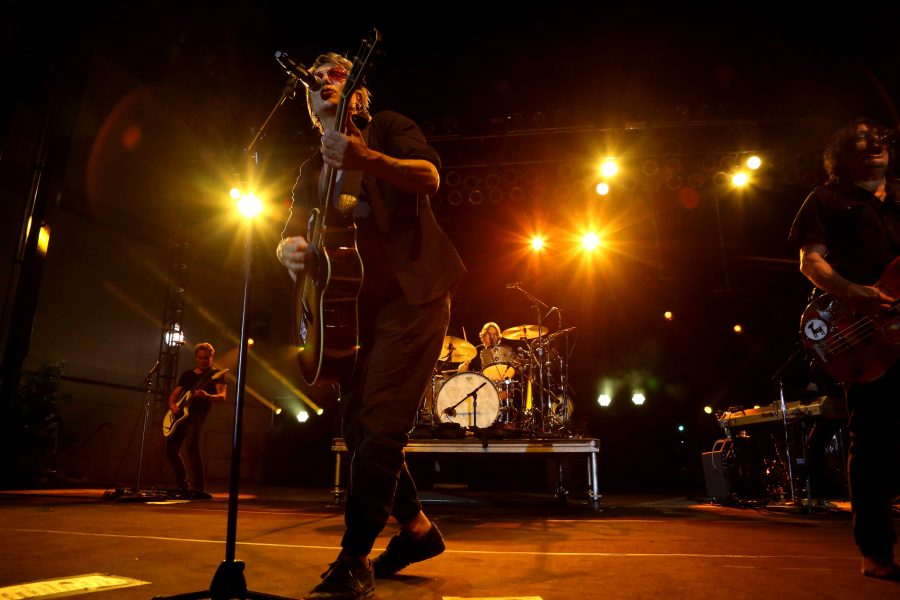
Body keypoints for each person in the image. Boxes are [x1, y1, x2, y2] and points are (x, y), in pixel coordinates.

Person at [276, 51, 466, 599]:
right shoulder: (312, 173)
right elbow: (291, 236)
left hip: (415, 299)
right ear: (310, 107)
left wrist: (368, 157)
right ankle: (417, 531)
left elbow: (428, 177)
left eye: (336, 75)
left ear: (357, 92)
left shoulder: (387, 128)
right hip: (350, 315)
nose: (324, 84)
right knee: (358, 431)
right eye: (314, 82)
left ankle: (352, 556)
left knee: (382, 426)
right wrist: (287, 251)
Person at [789, 117, 900, 580]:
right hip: (865, 335)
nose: (874, 145)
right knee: (873, 441)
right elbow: (810, 260)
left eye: (878, 140)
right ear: (841, 158)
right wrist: (854, 291)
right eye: (861, 143)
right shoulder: (828, 199)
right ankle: (875, 552)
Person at [165, 342, 226, 497]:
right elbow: (175, 393)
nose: (203, 361)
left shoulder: (217, 374)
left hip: (198, 413)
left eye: (206, 358)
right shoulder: (187, 374)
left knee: (191, 445)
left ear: (212, 357)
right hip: (180, 414)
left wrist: (208, 396)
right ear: (196, 357)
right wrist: (172, 405)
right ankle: (182, 485)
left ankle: (198, 487)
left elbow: (223, 397)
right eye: (200, 358)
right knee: (171, 449)